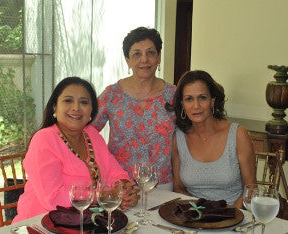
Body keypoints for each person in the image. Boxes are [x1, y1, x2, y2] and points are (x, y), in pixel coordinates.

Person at [13, 77, 139, 223]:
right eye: (68, 101)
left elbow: (114, 172)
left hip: (86, 222)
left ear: (92, 110)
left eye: (84, 102)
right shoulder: (44, 139)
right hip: (42, 224)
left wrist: (125, 189)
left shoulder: (91, 134)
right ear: (55, 107)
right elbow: (53, 199)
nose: (76, 108)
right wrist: (102, 195)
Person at [92, 27, 176, 189]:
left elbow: (188, 138)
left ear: (159, 57)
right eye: (137, 54)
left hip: (163, 184)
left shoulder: (174, 95)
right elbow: (88, 133)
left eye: (151, 53)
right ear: (127, 60)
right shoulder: (111, 94)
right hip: (121, 184)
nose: (144, 60)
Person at [171, 70, 256, 208]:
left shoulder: (238, 134)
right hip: (195, 215)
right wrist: (200, 214)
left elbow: (251, 188)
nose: (196, 106)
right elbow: (178, 187)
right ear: (182, 104)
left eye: (202, 97)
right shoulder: (179, 137)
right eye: (189, 99)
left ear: (212, 101)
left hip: (234, 215)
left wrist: (229, 217)